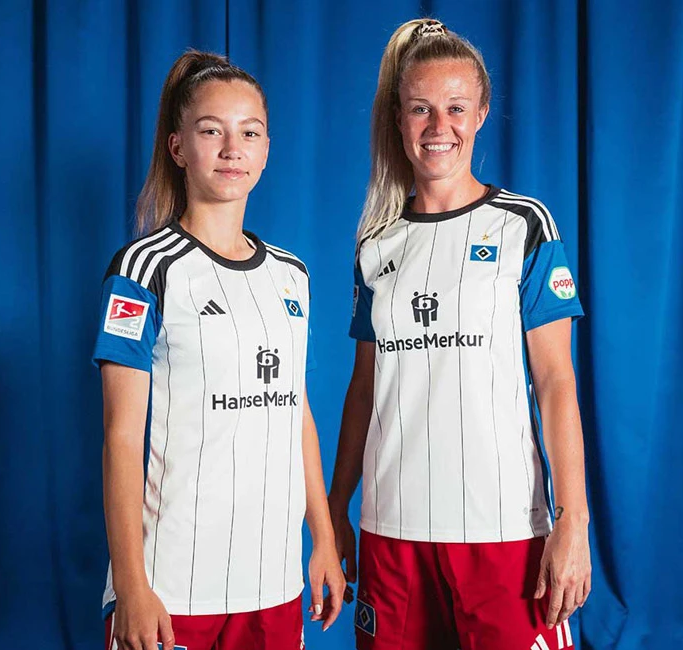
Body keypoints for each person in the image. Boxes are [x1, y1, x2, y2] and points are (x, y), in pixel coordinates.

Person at [328, 19, 592, 650]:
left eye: (455, 108)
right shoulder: (376, 245)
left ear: (481, 114)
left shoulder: (524, 226)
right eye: (420, 108)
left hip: (502, 530)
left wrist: (573, 520)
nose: (438, 126)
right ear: (399, 118)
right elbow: (364, 389)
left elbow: (556, 381)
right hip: (392, 531)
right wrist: (336, 510)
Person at [92, 50, 344, 650]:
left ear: (267, 149)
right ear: (178, 147)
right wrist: (131, 584)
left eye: (249, 133)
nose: (233, 149)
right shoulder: (144, 269)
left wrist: (325, 540)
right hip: (171, 587)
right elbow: (120, 437)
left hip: (272, 585)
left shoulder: (291, 275)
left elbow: (296, 415)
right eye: (212, 131)